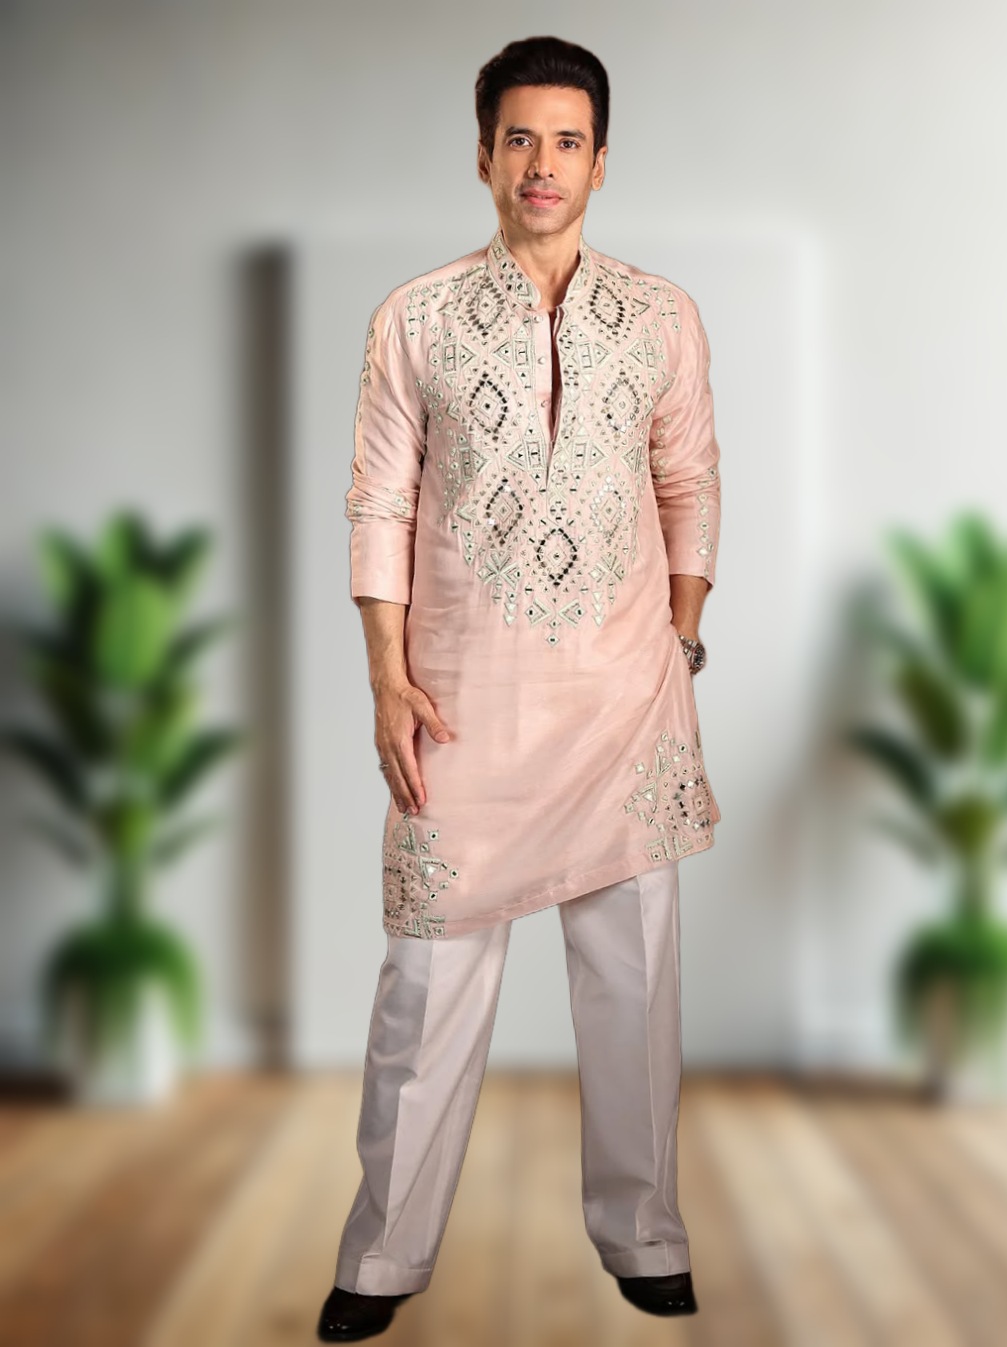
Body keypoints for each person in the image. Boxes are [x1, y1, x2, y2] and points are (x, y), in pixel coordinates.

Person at [317, 33, 721, 1343]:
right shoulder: (416, 317)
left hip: (623, 703)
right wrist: (386, 676)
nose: (542, 163)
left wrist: (677, 637)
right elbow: (379, 501)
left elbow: (689, 480)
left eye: (567, 141)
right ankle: (382, 1258)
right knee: (424, 989)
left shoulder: (662, 317)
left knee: (635, 986)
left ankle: (645, 1235)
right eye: (519, 139)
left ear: (602, 162)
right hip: (461, 704)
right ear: (484, 155)